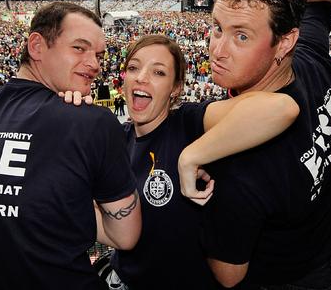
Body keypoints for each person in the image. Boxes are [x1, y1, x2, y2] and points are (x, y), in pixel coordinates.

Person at [0, 2, 142, 289]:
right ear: (36, 46)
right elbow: (125, 236)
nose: (95, 64)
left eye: (99, 54)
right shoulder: (91, 123)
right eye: (79, 48)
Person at [179, 0, 331, 288]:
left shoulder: (236, 160)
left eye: (241, 36)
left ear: (285, 42)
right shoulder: (309, 56)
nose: (217, 50)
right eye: (216, 28)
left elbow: (228, 274)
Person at [96, 35, 298, 289]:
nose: (141, 77)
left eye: (158, 72)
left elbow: (282, 108)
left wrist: (190, 157)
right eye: (134, 68)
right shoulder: (116, 142)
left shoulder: (189, 123)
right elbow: (109, 226)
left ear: (176, 88)